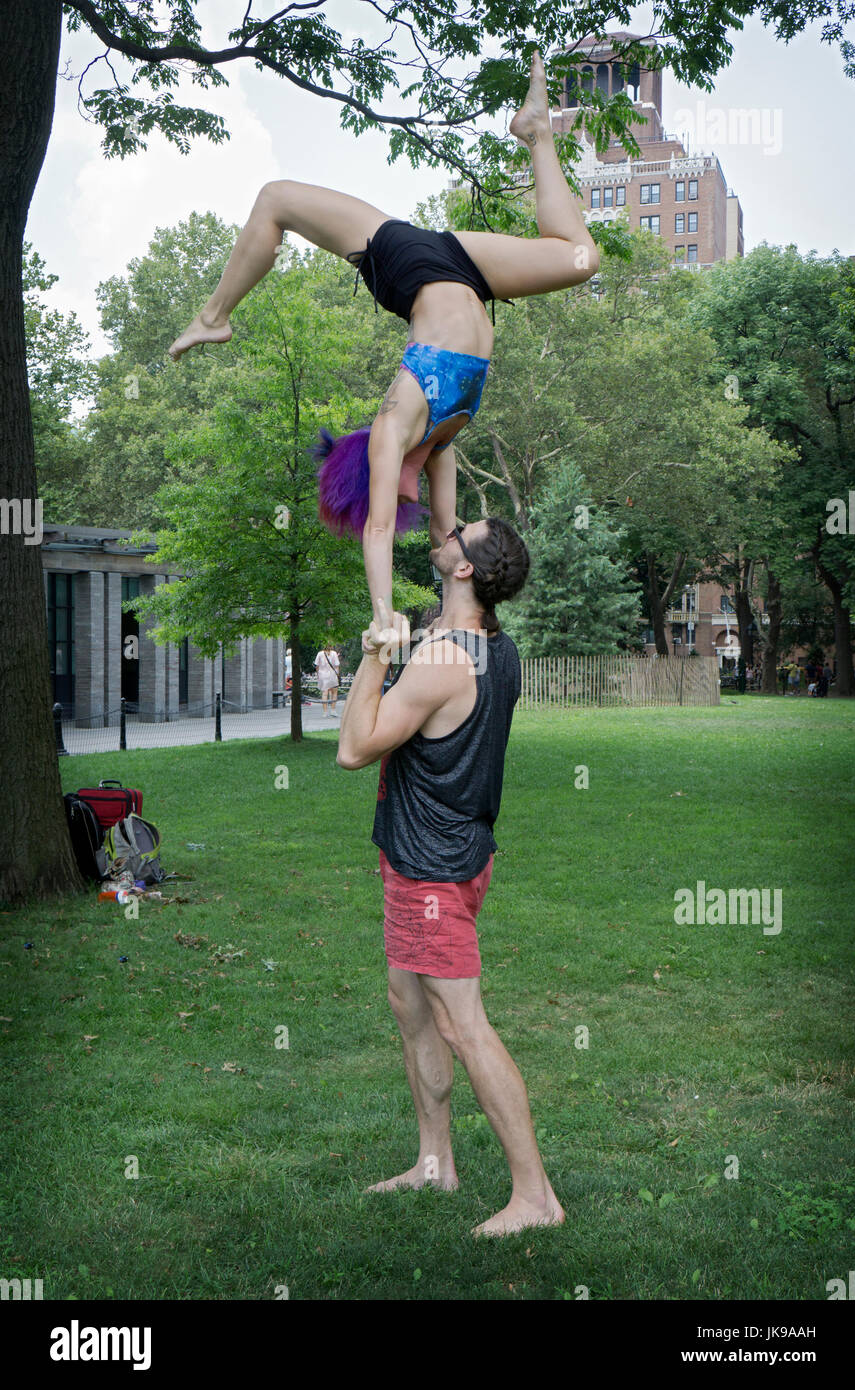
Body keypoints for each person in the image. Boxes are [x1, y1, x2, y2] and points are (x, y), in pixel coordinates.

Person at [168, 50, 599, 643]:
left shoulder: (397, 422)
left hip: (404, 265)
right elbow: (449, 539)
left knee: (275, 198)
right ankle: (537, 135)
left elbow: (374, 532)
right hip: (467, 268)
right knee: (581, 257)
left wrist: (381, 614)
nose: (404, 502)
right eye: (405, 503)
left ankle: (214, 315)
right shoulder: (441, 439)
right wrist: (471, 618)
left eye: (392, 493)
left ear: (372, 459)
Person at [335, 518, 564, 1238]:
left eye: (461, 533)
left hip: (431, 872)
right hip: (449, 855)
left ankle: (536, 1198)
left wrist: (377, 654)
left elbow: (353, 748)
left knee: (463, 1026)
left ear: (465, 570)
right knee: (411, 1008)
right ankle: (435, 1163)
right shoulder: (498, 646)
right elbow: (444, 505)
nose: (448, 528)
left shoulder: (438, 659)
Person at [314, 643, 341, 715]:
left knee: (324, 693)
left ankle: (325, 711)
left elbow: (316, 665)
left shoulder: (320, 654)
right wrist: (337, 674)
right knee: (334, 693)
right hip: (332, 675)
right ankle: (333, 710)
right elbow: (337, 665)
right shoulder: (334, 653)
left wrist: (318, 675)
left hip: (323, 675)